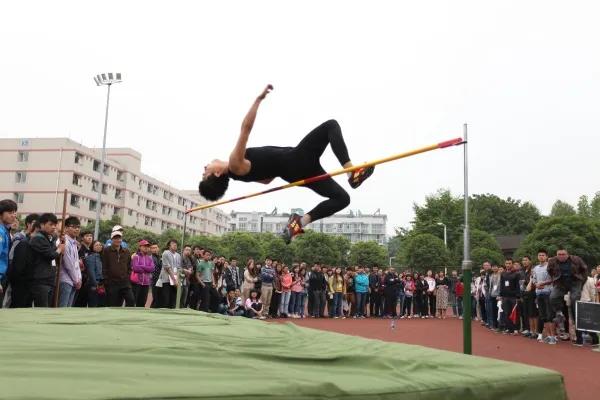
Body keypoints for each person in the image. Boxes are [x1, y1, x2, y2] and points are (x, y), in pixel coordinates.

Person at [199, 85, 375, 243]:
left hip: (297, 171)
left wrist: (273, 163)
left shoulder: (239, 172)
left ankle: (300, 222)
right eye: (205, 173)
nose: (204, 167)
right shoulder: (234, 165)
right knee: (331, 125)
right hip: (297, 159)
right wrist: (258, 100)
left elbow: (267, 180)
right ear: (216, 175)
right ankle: (351, 172)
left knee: (342, 198)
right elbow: (245, 128)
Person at [547, 248, 588, 336]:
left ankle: (575, 319)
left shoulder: (576, 259)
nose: (561, 256)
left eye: (563, 254)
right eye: (559, 254)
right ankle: (559, 313)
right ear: (556, 255)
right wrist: (554, 279)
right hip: (561, 282)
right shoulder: (552, 261)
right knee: (553, 297)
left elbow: (584, 269)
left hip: (574, 282)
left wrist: (581, 282)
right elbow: (549, 271)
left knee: (574, 299)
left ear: (568, 254)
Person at [29, 213, 65, 307]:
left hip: (49, 279)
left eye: (55, 225)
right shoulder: (38, 238)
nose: (53, 227)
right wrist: (60, 249)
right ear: (42, 225)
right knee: (42, 309)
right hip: (41, 280)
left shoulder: (48, 239)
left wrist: (59, 243)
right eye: (50, 224)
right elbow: (50, 254)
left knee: (47, 308)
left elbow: (53, 251)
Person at [7, 213, 39, 308]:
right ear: (28, 224)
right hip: (18, 279)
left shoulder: (33, 241)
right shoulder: (20, 239)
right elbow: (12, 258)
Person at [101, 230, 134, 307]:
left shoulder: (126, 251)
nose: (118, 240)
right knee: (113, 304)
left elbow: (129, 266)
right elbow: (104, 265)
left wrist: (127, 276)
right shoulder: (106, 250)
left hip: (125, 282)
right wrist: (106, 280)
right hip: (112, 282)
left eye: (119, 238)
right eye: (115, 238)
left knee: (131, 300)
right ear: (112, 239)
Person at [58, 217, 82, 307]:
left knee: (68, 309)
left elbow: (76, 263)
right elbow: (68, 264)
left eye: (78, 227)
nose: (77, 229)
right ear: (66, 228)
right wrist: (76, 280)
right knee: (63, 308)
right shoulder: (65, 242)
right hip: (65, 279)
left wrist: (79, 278)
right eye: (73, 226)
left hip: (74, 280)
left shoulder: (74, 243)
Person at [0, 199, 18, 306]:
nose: (14, 215)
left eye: (15, 212)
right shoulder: (1, 231)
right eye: (10, 212)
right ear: (1, 214)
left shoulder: (6, 230)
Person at [130, 239, 155, 307]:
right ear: (140, 247)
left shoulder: (149, 258)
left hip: (146, 284)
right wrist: (146, 268)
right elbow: (135, 268)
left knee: (142, 303)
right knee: (133, 302)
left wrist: (141, 267)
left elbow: (152, 269)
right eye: (144, 246)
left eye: (147, 246)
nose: (146, 247)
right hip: (136, 283)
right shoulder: (136, 257)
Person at [73, 230, 94, 307]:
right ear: (82, 238)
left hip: (87, 281)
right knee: (77, 303)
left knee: (83, 303)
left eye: (91, 236)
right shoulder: (78, 249)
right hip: (79, 279)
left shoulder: (90, 251)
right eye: (87, 236)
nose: (89, 238)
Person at [499, 258, 520, 335]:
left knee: (514, 313)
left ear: (512, 264)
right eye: (506, 263)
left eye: (509, 263)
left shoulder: (516, 274)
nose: (508, 265)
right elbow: (501, 284)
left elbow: (518, 286)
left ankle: (515, 329)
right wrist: (500, 294)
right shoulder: (503, 274)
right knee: (506, 312)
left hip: (513, 297)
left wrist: (518, 296)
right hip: (505, 296)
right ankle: (508, 328)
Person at [159, 239, 181, 309]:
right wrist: (174, 279)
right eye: (173, 244)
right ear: (169, 245)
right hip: (167, 280)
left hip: (175, 280)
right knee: (166, 299)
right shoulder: (165, 253)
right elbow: (167, 268)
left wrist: (176, 279)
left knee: (173, 299)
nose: (175, 245)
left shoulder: (178, 255)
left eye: (176, 244)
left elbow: (178, 268)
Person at [84, 240, 104, 307]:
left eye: (100, 245)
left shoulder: (102, 257)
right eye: (96, 245)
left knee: (100, 305)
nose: (99, 246)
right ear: (92, 247)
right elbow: (91, 272)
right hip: (93, 284)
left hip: (101, 284)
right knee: (93, 305)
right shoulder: (90, 257)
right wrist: (96, 284)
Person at [149, 243, 163, 308]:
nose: (154, 249)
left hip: (161, 280)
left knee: (160, 297)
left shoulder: (160, 257)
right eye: (153, 248)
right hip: (154, 280)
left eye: (156, 248)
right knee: (156, 297)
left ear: (158, 248)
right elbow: (153, 270)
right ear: (150, 250)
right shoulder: (150, 258)